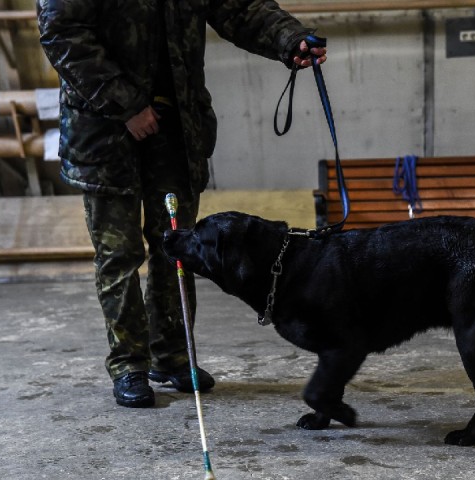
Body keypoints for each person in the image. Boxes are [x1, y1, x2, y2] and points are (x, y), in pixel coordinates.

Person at [36, 0, 327, 408]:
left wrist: (290, 39)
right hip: (103, 132)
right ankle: (129, 366)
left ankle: (172, 356)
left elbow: (239, 7)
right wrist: (127, 106)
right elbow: (62, 33)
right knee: (119, 255)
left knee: (176, 247)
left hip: (175, 129)